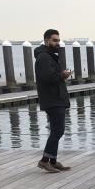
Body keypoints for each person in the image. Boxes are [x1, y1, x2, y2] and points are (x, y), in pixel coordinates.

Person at [34, 29, 72, 173]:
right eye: (54, 40)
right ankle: (44, 161)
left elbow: (52, 75)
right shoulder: (44, 57)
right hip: (52, 99)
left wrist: (62, 75)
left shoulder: (50, 56)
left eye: (58, 40)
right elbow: (48, 78)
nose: (57, 43)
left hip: (56, 98)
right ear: (46, 41)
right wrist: (62, 75)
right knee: (58, 131)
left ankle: (53, 161)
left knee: (56, 131)